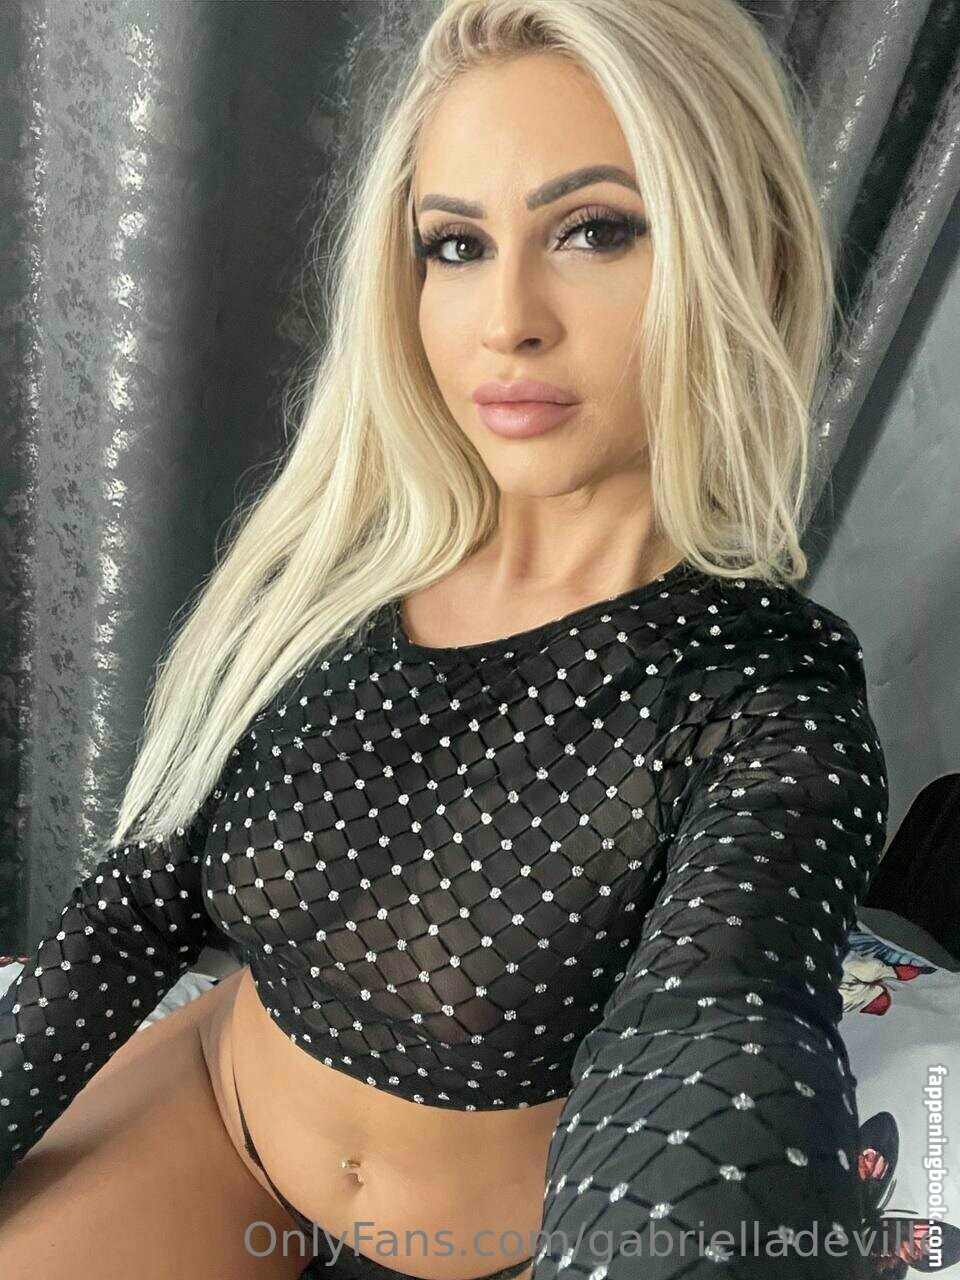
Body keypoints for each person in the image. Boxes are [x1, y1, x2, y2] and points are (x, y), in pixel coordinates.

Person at [0, 0, 889, 1277]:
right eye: (457, 245)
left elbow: (721, 1028)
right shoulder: (325, 577)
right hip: (219, 1119)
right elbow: (137, 906)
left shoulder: (764, 690)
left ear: (749, 257)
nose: (506, 318)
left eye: (594, 230)